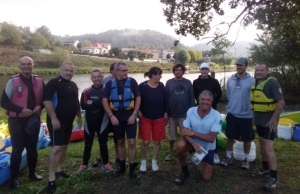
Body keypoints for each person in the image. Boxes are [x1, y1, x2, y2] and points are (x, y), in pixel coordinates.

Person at [0, 56, 44, 189]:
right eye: (23, 64)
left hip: (33, 120)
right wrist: (21, 109)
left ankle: (32, 173)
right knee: (17, 150)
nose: (26, 67)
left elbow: (45, 98)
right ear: (19, 66)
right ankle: (14, 179)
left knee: (32, 149)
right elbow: (4, 102)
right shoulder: (12, 81)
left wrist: (40, 106)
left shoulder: (39, 81)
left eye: (29, 64)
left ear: (33, 65)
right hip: (17, 120)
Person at [43, 62, 82, 193]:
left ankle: (59, 170)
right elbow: (47, 101)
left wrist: (79, 116)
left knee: (64, 146)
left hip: (68, 121)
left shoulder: (74, 85)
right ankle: (51, 178)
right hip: (56, 122)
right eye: (66, 70)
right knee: (56, 148)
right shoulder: (53, 83)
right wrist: (54, 118)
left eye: (71, 71)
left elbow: (76, 102)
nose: (69, 73)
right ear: (61, 70)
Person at [102, 62, 141, 179]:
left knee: (132, 142)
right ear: (116, 71)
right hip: (116, 116)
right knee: (120, 142)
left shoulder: (132, 82)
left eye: (127, 70)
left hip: (130, 115)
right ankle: (122, 166)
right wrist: (111, 116)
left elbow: (138, 98)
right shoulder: (109, 84)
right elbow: (104, 101)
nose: (126, 72)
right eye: (123, 70)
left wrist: (134, 114)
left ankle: (132, 169)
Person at [174, 90, 222, 185]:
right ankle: (184, 171)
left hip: (208, 147)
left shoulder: (217, 115)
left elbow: (211, 138)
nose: (205, 102)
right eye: (202, 99)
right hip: (192, 143)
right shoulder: (191, 111)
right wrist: (193, 142)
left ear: (211, 102)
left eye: (208, 100)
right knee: (180, 145)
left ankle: (202, 163)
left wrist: (193, 133)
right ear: (198, 100)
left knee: (206, 178)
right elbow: (184, 131)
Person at [250, 62, 285, 192]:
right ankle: (265, 168)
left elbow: (281, 102)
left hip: (269, 122)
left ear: (267, 71)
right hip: (259, 121)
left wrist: (273, 120)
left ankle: (274, 177)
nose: (258, 72)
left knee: (269, 148)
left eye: (261, 70)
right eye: (257, 70)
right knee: (262, 144)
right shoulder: (256, 83)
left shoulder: (272, 83)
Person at [220, 57, 255, 169]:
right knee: (230, 137)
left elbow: (254, 97)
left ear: (246, 66)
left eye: (241, 65)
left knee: (247, 138)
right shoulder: (231, 80)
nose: (239, 67)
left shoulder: (252, 81)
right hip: (232, 114)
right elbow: (229, 95)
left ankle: (245, 159)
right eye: (237, 65)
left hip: (246, 115)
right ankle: (228, 157)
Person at [77, 69, 113, 173]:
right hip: (89, 121)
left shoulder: (106, 90)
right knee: (88, 144)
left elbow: (108, 105)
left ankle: (106, 164)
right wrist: (100, 103)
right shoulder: (86, 91)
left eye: (98, 76)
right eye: (94, 77)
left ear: (102, 77)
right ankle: (84, 165)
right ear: (91, 78)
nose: (96, 79)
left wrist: (91, 103)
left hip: (103, 121)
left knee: (103, 144)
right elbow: (83, 105)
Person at [138, 67, 167, 172]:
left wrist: (166, 112)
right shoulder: (142, 86)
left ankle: (154, 161)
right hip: (145, 118)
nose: (161, 76)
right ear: (153, 75)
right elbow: (137, 99)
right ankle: (143, 161)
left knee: (157, 141)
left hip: (159, 118)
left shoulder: (161, 86)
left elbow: (165, 100)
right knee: (145, 141)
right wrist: (138, 111)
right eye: (159, 74)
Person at [193, 62, 222, 164]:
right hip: (199, 109)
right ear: (200, 70)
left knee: (212, 131)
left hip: (212, 109)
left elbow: (219, 93)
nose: (204, 71)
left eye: (206, 69)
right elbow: (195, 95)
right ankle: (197, 150)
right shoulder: (195, 82)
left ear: (208, 70)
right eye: (202, 69)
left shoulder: (214, 81)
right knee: (198, 130)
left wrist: (213, 104)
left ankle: (214, 152)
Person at [165, 63, 195, 161]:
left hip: (184, 115)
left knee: (186, 136)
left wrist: (192, 113)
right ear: (174, 71)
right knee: (171, 136)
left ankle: (186, 155)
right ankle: (170, 153)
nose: (178, 71)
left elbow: (191, 99)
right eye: (176, 70)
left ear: (183, 72)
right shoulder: (169, 83)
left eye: (180, 70)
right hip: (172, 114)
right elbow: (166, 98)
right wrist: (166, 112)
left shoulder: (188, 83)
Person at [92, 63, 120, 167]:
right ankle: (100, 157)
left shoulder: (122, 80)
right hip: (104, 113)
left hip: (117, 113)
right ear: (112, 71)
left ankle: (118, 157)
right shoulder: (106, 80)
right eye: (117, 70)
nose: (118, 72)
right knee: (102, 136)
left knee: (118, 136)